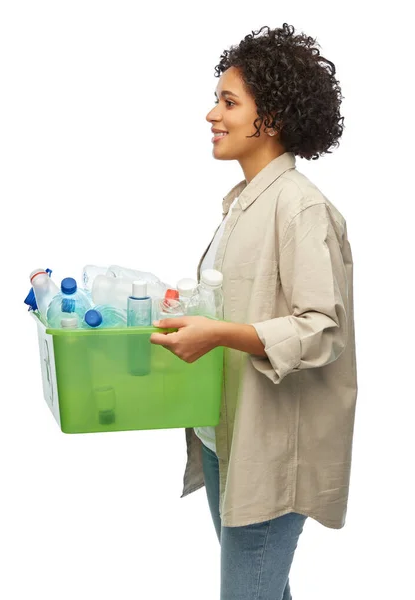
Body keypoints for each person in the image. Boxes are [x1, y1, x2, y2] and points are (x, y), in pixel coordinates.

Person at [150, 23, 358, 600]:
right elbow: (243, 300)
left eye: (228, 101)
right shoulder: (244, 202)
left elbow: (321, 331)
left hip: (272, 448)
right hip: (226, 437)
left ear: (270, 120)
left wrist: (217, 333)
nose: (211, 114)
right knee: (263, 589)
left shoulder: (300, 209)